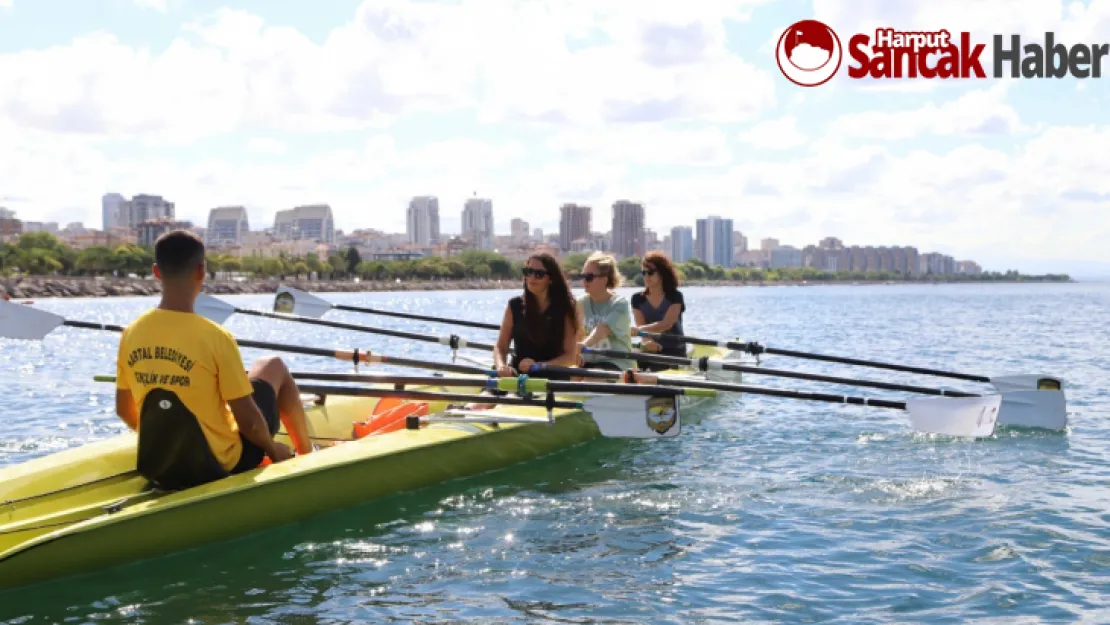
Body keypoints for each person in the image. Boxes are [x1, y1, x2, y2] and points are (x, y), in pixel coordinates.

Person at [114, 230, 313, 490]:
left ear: (156, 272)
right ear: (201, 271)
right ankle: (308, 455)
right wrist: (273, 449)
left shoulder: (130, 334)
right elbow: (250, 423)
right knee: (272, 365)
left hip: (162, 464)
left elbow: (123, 410)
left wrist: (168, 440)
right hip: (219, 464)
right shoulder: (216, 337)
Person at [492, 252, 580, 380]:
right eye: (528, 272)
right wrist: (501, 366)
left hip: (551, 377)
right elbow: (501, 347)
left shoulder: (565, 308)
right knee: (482, 400)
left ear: (550, 279)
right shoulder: (514, 305)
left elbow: (570, 357)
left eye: (539, 274)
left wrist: (538, 365)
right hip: (517, 374)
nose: (532, 278)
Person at [576, 252, 635, 372]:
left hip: (617, 361)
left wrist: (583, 345)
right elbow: (577, 333)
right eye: (583, 276)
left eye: (589, 277)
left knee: (590, 380)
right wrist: (576, 353)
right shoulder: (581, 303)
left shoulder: (619, 304)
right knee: (572, 378)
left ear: (604, 279)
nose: (584, 281)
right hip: (589, 361)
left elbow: (602, 330)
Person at [631, 250, 688, 371]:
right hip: (650, 348)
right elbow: (641, 326)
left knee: (657, 366)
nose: (646, 276)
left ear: (662, 274)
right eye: (644, 273)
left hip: (674, 349)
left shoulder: (675, 297)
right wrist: (647, 341)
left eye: (650, 272)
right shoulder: (637, 299)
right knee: (630, 363)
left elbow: (666, 324)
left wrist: (639, 330)